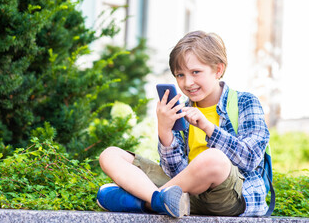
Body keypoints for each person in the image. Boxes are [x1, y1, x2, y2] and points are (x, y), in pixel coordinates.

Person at [96, 30, 270, 217]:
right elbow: (176, 173)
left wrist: (207, 127)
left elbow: (251, 159)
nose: (188, 82)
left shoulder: (245, 102)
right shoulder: (181, 110)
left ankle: (148, 201)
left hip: (228, 196)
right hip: (185, 195)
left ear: (218, 70)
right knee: (110, 155)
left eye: (196, 72)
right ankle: (160, 201)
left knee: (214, 158)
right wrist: (165, 131)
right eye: (180, 75)